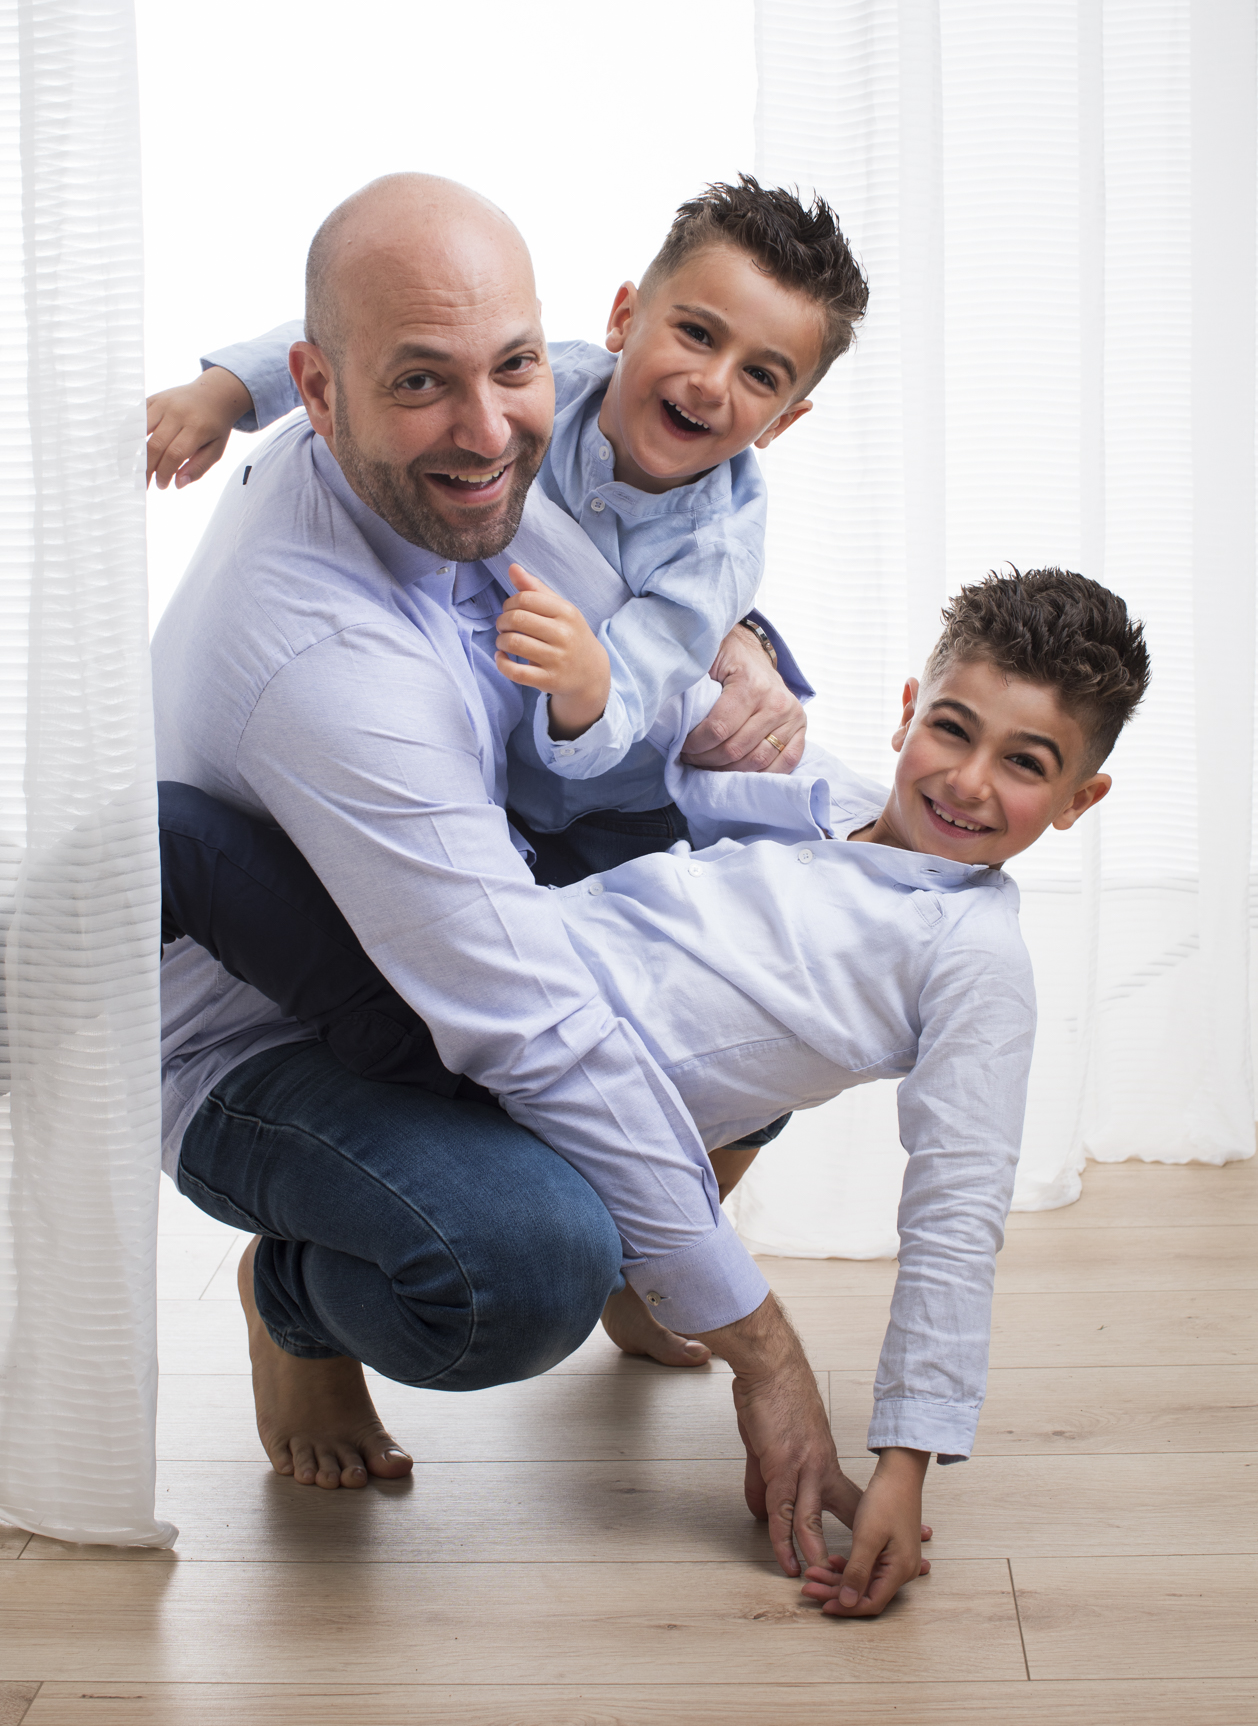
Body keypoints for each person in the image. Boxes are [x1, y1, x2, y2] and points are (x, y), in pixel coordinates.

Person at [161, 563, 1150, 1617]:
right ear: (911, 708)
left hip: (470, 1071)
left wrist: (904, 1465)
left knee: (741, 1050)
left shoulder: (972, 961)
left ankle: (298, 1298)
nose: (966, 780)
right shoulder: (831, 799)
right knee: (183, 833)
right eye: (952, 730)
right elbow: (673, 728)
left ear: (1080, 799)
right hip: (478, 968)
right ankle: (639, 1277)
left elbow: (956, 1212)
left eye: (1025, 765)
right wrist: (737, 640)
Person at [152, 173, 855, 1608]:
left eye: (509, 370)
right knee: (521, 1259)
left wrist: (739, 656)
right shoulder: (330, 670)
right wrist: (760, 1340)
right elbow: (523, 1019)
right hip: (285, 1029)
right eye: (420, 383)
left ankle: (647, 1253)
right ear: (323, 388)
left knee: (779, 944)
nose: (485, 429)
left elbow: (662, 630)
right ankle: (296, 1297)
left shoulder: (558, 457)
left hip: (480, 881)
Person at [145, 174, 868, 877]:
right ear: (624, 317)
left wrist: (587, 684)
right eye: (698, 334)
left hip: (605, 811)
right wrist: (225, 391)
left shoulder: (715, 553)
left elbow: (632, 689)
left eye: (760, 377)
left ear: (783, 421)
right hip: (480, 750)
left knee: (577, 932)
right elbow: (375, 337)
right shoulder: (538, 377)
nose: (712, 382)